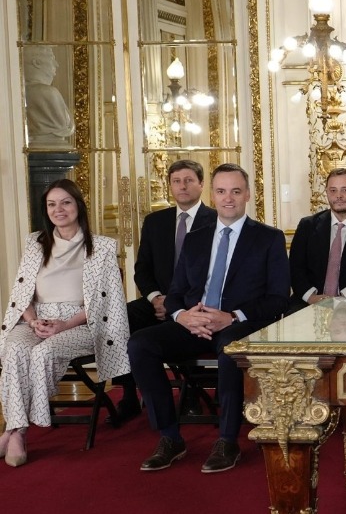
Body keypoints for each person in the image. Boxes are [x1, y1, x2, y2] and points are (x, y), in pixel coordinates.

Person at [127, 163, 289, 474]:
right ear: (213, 195)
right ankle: (170, 436)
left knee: (230, 347)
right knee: (140, 344)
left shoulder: (268, 238)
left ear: (248, 195)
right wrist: (182, 315)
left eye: (236, 191)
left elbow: (278, 299)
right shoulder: (196, 238)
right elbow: (175, 292)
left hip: (237, 325)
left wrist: (231, 316)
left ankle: (227, 440)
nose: (228, 198)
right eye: (221, 191)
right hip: (193, 323)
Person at [0, 180, 129, 467]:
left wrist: (64, 324)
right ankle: (14, 429)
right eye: (51, 204)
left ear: (78, 206)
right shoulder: (35, 244)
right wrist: (33, 322)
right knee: (15, 348)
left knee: (42, 353)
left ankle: (17, 431)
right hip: (37, 318)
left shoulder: (103, 247)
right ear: (46, 211)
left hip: (81, 322)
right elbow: (23, 294)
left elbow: (103, 304)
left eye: (66, 202)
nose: (59, 209)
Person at [109, 159, 217, 427]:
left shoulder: (216, 221)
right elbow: (142, 268)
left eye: (189, 180)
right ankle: (129, 395)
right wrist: (156, 298)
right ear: (169, 185)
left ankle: (190, 391)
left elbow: (215, 274)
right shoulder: (155, 222)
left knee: (193, 322)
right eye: (176, 181)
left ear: (201, 184)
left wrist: (179, 305)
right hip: (159, 300)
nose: (183, 186)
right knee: (120, 318)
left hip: (196, 303)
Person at [288, 168, 346, 312]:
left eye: (345, 190)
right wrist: (311, 297)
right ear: (326, 192)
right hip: (307, 304)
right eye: (333, 190)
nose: (338, 196)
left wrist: (342, 299)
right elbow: (295, 268)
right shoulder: (307, 226)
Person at [22, 45, 74, 147]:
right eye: (52, 59)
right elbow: (64, 126)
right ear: (37, 62)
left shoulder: (23, 93)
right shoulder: (48, 92)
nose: (57, 64)